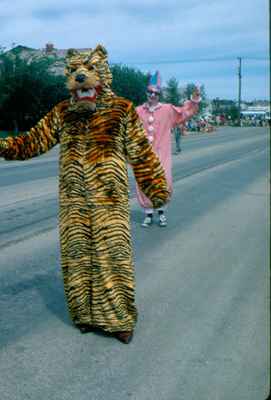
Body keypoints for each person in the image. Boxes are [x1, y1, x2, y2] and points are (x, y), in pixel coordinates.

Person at [0, 45, 169, 344]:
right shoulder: (63, 113)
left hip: (109, 203)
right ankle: (85, 316)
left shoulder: (121, 110)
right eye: (76, 72)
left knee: (112, 260)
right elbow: (31, 143)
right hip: (73, 203)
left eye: (89, 71)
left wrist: (155, 186)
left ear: (102, 76)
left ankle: (119, 320)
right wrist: (3, 146)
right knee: (77, 259)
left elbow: (141, 154)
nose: (81, 78)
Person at [136, 71, 200, 228]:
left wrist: (194, 100)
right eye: (150, 92)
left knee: (165, 182)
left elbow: (184, 113)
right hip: (143, 156)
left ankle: (161, 213)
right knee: (144, 183)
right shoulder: (137, 111)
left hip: (161, 154)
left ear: (160, 95)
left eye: (156, 93)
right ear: (146, 93)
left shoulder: (167, 109)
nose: (152, 95)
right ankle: (148, 215)